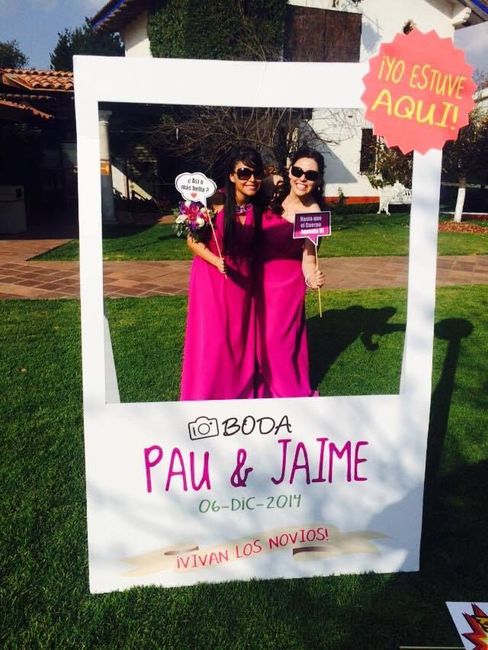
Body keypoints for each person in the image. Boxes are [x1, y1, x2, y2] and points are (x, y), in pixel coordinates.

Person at [180, 146, 264, 400]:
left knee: (239, 339)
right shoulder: (212, 202)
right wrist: (216, 260)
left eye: (256, 173)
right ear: (230, 176)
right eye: (244, 172)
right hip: (212, 278)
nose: (251, 179)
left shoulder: (257, 208)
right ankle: (208, 392)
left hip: (243, 284)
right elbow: (193, 243)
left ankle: (237, 391)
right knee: (214, 339)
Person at [256, 147, 326, 398]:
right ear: (289, 170)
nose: (302, 178)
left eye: (311, 175)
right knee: (252, 337)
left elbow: (309, 259)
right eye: (298, 171)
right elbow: (242, 187)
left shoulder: (314, 214)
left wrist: (311, 277)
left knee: (278, 342)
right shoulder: (272, 187)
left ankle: (283, 391)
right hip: (255, 277)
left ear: (318, 181)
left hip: (286, 286)